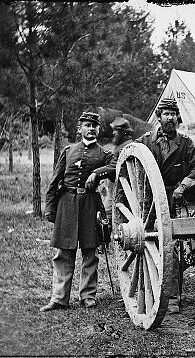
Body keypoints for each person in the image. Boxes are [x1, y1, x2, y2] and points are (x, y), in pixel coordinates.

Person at [135, 98, 195, 314]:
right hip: (149, 203)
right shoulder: (146, 142)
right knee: (148, 247)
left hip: (173, 200)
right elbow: (134, 161)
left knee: (172, 248)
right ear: (158, 117)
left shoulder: (185, 143)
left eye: (173, 114)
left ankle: (172, 297)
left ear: (178, 118)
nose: (169, 117)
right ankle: (148, 292)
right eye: (165, 113)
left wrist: (183, 186)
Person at [41, 112, 117, 312]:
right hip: (67, 204)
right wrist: (50, 209)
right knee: (63, 253)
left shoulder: (105, 153)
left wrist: (96, 173)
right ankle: (59, 298)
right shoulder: (68, 151)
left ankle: (88, 296)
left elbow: (116, 166)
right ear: (79, 128)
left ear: (99, 130)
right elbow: (55, 181)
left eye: (94, 126)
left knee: (90, 252)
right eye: (87, 125)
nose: (91, 129)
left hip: (90, 204)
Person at [99, 117, 133, 227]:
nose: (113, 133)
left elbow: (114, 167)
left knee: (107, 216)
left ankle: (108, 242)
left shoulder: (126, 148)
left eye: (116, 131)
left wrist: (96, 173)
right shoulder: (119, 147)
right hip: (113, 189)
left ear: (124, 133)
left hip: (121, 193)